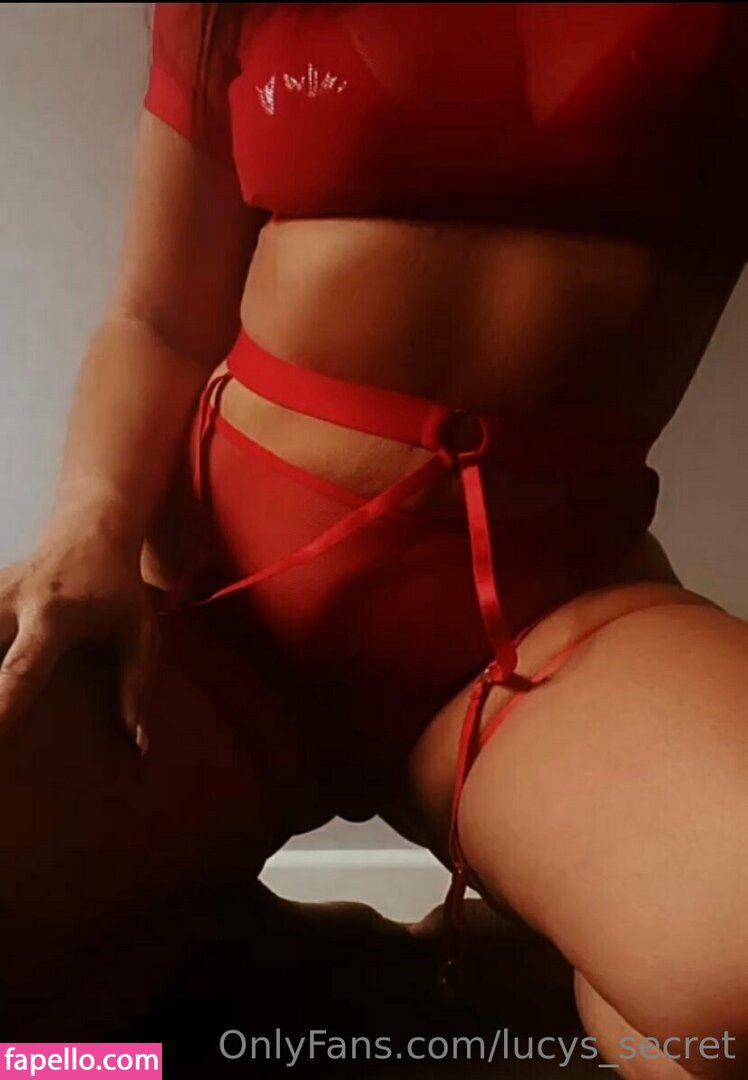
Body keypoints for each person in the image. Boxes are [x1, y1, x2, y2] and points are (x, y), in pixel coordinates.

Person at [0, 3, 746, 1072]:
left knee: (727, 1017)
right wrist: (91, 524)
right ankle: (269, 986)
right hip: (209, 618)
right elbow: (154, 318)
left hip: (542, 639)